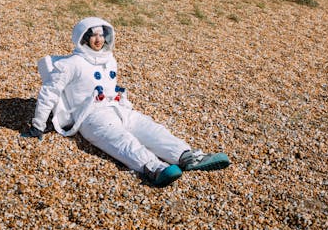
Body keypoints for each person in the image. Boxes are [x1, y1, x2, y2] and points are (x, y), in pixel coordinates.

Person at [23, 17, 229, 187]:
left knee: (152, 129)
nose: (98, 39)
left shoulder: (109, 59)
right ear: (83, 38)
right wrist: (38, 125)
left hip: (119, 107)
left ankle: (187, 156)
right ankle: (154, 168)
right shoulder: (71, 64)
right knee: (121, 140)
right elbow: (49, 93)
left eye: (101, 34)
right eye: (93, 34)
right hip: (91, 116)